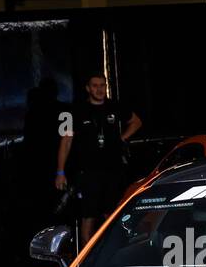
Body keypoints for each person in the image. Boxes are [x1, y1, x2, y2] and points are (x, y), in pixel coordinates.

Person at [56, 73, 142, 241]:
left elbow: (137, 121)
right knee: (89, 215)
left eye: (102, 85)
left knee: (113, 213)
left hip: (113, 169)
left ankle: (112, 250)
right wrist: (60, 172)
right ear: (88, 88)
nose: (99, 89)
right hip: (88, 172)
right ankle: (88, 258)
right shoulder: (75, 111)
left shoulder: (114, 106)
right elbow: (66, 141)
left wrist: (122, 138)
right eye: (95, 86)